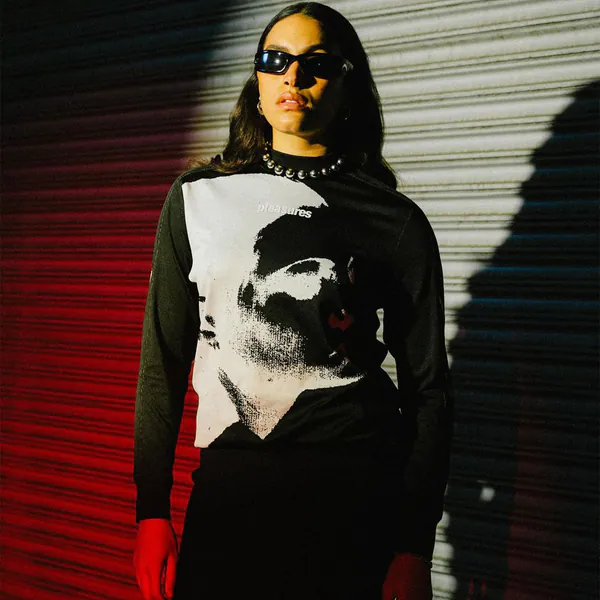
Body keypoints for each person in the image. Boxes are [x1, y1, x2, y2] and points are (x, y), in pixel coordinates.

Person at [133, 3, 453, 600]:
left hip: (353, 502)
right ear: (256, 83)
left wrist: (413, 546)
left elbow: (428, 389)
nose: (293, 75)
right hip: (229, 497)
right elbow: (163, 364)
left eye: (317, 63)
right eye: (275, 60)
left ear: (348, 86)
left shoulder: (394, 220)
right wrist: (151, 510)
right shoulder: (198, 199)